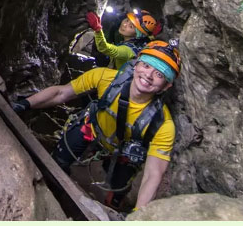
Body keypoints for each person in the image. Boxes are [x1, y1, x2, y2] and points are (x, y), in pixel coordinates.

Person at [11, 41, 180, 212]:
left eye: (159, 74)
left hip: (123, 152)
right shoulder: (106, 78)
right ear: (136, 64)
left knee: (116, 196)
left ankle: (113, 208)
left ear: (167, 86)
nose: (148, 75)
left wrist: (140, 216)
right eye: (145, 65)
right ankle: (54, 193)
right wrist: (24, 104)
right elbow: (61, 93)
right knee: (59, 161)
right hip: (92, 130)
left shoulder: (162, 124)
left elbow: (153, 174)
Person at [87, 8, 161, 70]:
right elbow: (146, 36)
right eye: (127, 20)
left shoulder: (127, 51)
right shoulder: (141, 42)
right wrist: (152, 35)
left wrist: (97, 29)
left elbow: (104, 48)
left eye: (131, 26)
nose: (124, 25)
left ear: (137, 34)